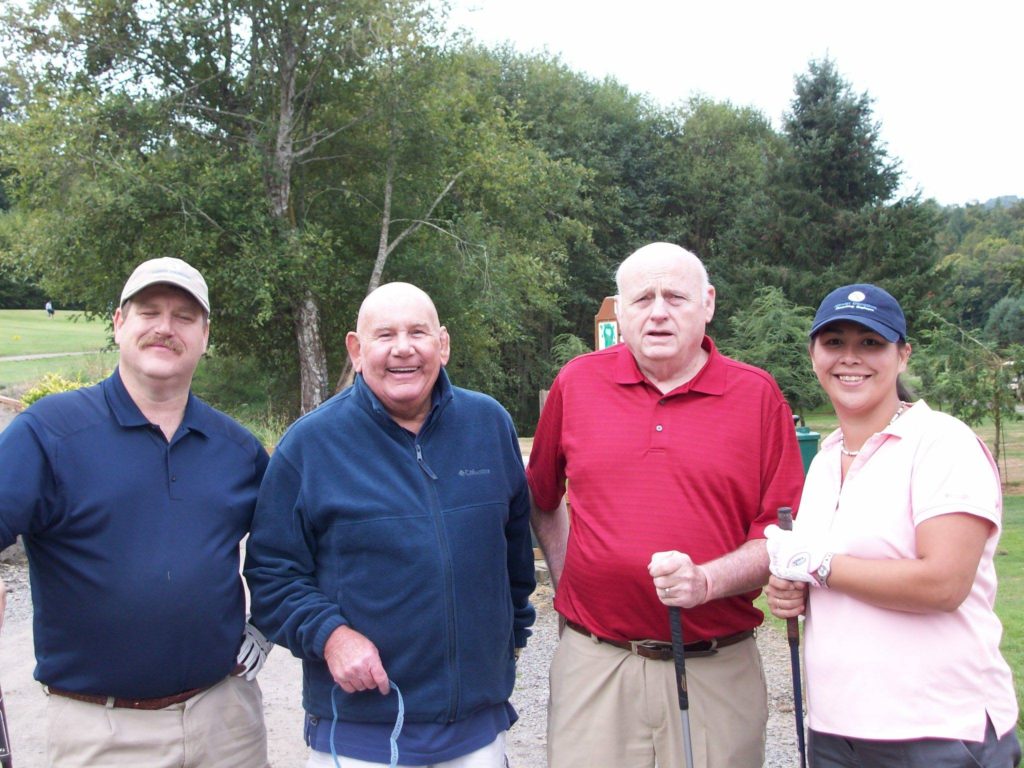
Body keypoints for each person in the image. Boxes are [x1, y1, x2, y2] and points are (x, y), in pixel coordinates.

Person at [527, 241, 806, 768]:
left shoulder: (757, 397)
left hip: (715, 668)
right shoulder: (577, 383)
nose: (658, 312)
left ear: (708, 303)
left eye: (676, 297)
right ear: (620, 310)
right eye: (642, 299)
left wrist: (707, 581)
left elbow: (781, 536)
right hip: (596, 665)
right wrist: (569, 582)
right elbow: (542, 498)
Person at [244, 281, 536, 768]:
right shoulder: (310, 445)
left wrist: (512, 639)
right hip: (361, 737)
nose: (403, 349)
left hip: (476, 733)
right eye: (385, 335)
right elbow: (272, 575)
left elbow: (513, 558)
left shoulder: (489, 425)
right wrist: (331, 636)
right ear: (357, 351)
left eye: (417, 332)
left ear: (441, 345)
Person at [0, 257, 272, 768]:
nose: (165, 328)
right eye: (149, 312)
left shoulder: (236, 448)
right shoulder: (47, 434)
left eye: (184, 317)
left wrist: (269, 624)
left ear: (205, 336)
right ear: (119, 322)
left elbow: (292, 546)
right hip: (102, 733)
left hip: (226, 723)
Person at [765, 283, 1021, 767]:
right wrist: (793, 589)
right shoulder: (825, 458)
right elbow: (829, 575)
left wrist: (818, 566)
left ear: (903, 355)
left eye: (871, 343)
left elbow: (944, 583)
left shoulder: (942, 443)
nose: (851, 358)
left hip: (936, 733)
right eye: (835, 342)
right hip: (835, 728)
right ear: (813, 354)